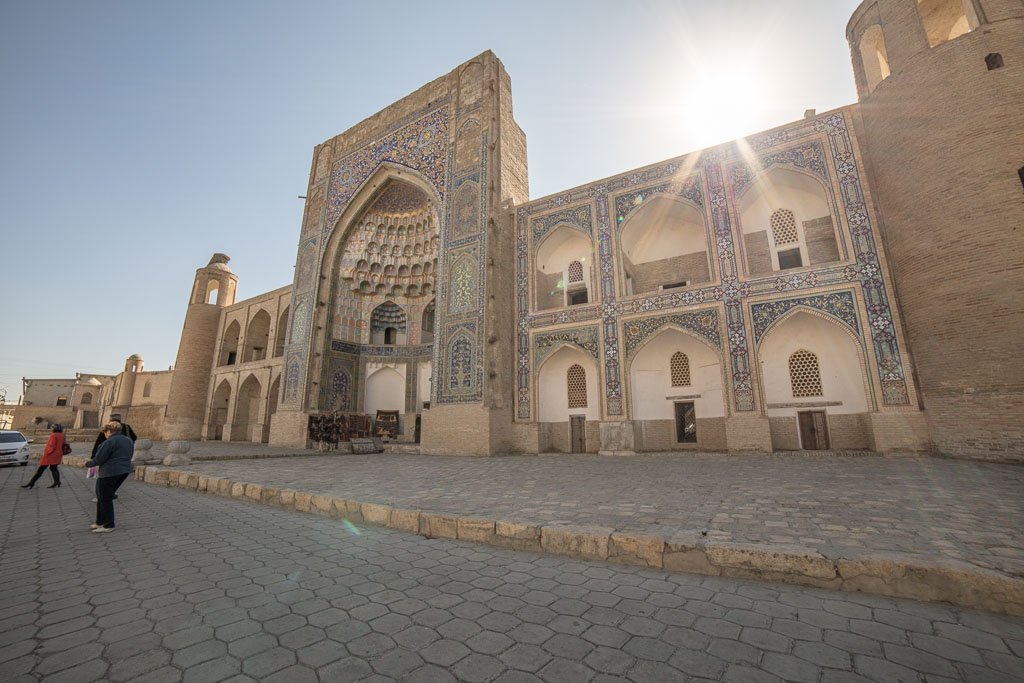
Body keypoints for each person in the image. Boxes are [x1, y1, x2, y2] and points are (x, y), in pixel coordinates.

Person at [85, 421, 134, 533]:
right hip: (123, 471)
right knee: (102, 496)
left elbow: (100, 458)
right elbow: (130, 454)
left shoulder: (109, 442)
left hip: (109, 472)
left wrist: (89, 464)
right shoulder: (128, 440)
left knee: (105, 498)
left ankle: (108, 524)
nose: (105, 434)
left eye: (105, 432)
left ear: (109, 431)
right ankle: (100, 521)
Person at [21, 424, 66, 489]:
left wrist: (47, 453)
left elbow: (51, 446)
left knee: (40, 469)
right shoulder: (62, 435)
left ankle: (31, 483)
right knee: (54, 468)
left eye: (52, 428)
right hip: (58, 454)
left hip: (51, 454)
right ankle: (57, 481)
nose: (51, 429)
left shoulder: (53, 435)